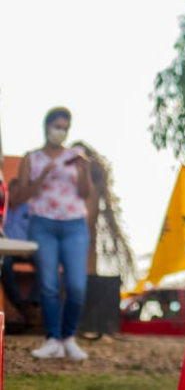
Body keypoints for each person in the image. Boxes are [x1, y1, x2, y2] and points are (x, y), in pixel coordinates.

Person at [11, 107, 92, 360]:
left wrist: (84, 171)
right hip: (42, 223)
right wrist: (43, 176)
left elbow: (85, 193)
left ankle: (68, 337)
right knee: (48, 285)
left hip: (74, 225)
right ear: (47, 127)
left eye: (65, 127)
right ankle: (52, 339)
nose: (61, 131)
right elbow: (18, 196)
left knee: (77, 286)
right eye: (57, 126)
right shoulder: (31, 158)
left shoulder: (75, 156)